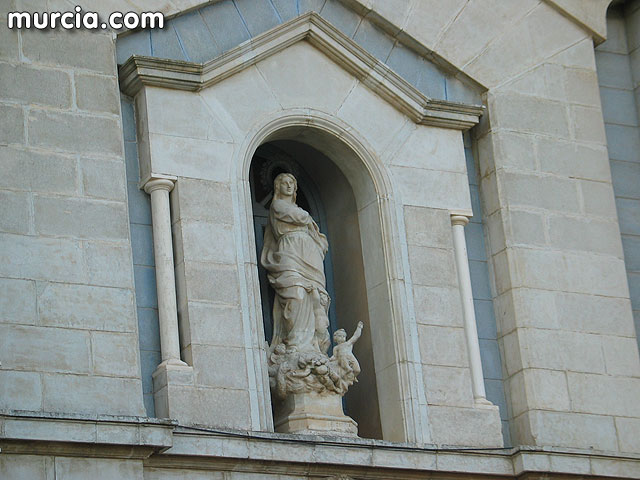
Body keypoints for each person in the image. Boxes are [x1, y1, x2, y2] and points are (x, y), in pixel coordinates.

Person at [261, 173, 331, 355]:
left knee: (317, 296)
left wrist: (317, 244)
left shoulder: (297, 208)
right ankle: (295, 343)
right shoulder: (278, 205)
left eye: (291, 183)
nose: (288, 186)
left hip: (309, 253)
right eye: (284, 183)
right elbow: (299, 217)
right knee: (296, 294)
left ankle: (315, 345)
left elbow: (317, 234)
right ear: (278, 187)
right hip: (289, 249)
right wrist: (306, 218)